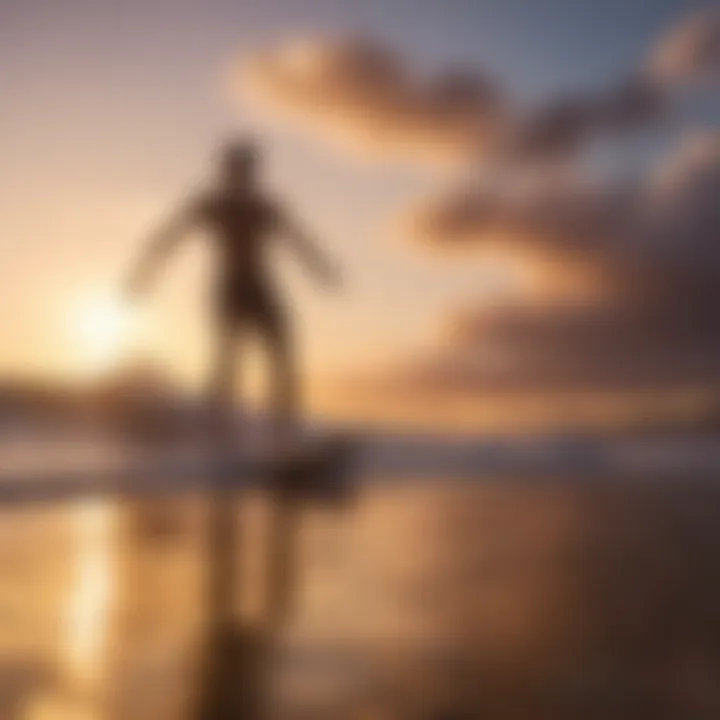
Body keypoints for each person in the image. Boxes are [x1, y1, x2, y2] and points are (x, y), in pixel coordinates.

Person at [126, 140, 341, 442]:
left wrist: (322, 270)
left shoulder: (265, 207)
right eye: (237, 169)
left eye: (247, 170)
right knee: (229, 355)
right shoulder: (211, 205)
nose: (242, 176)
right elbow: (170, 236)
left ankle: (282, 429)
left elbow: (298, 240)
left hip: (260, 285)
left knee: (282, 351)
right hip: (228, 286)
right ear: (227, 171)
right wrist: (144, 273)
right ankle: (217, 429)